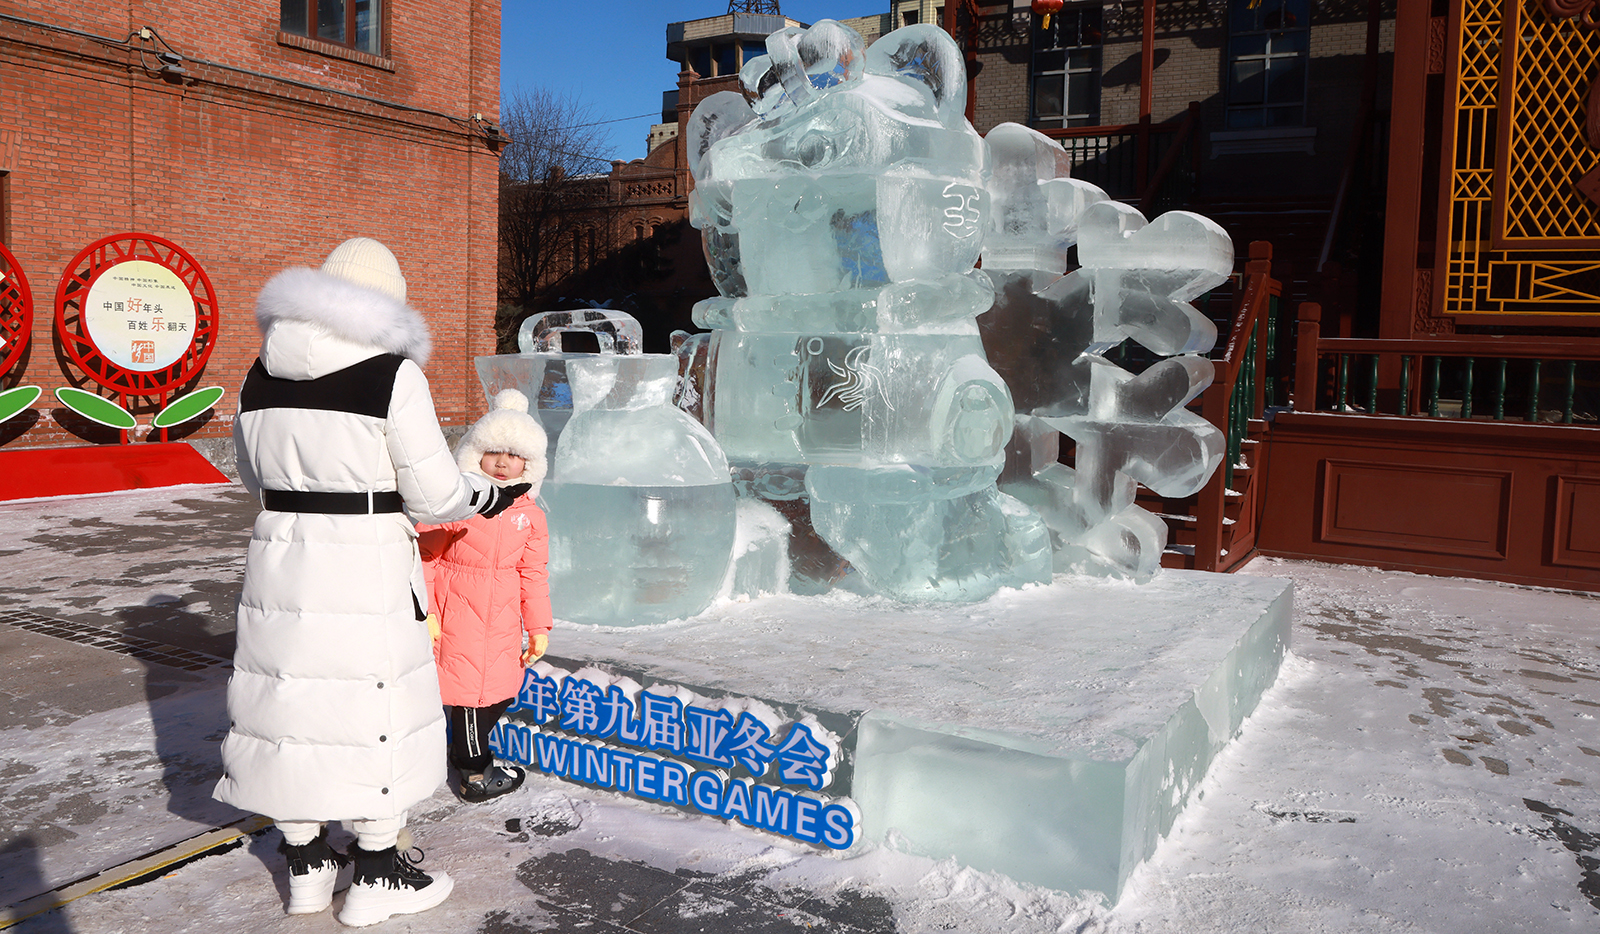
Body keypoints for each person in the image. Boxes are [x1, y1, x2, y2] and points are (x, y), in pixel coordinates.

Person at [215, 237, 528, 927]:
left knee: (290, 709)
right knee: (376, 706)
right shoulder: (391, 375)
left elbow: (250, 474)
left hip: (282, 552)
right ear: (387, 303)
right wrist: (486, 496)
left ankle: (306, 863)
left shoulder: (258, 374)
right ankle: (380, 870)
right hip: (364, 554)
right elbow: (435, 494)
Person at [417, 389, 552, 802]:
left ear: (528, 463)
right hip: (457, 613)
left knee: (500, 691)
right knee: (470, 698)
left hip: (504, 620)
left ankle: (462, 753)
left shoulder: (530, 515)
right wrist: (426, 611)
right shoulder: (457, 505)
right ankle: (474, 774)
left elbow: (533, 573)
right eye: (493, 451)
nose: (502, 462)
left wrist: (539, 626)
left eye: (513, 455)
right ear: (475, 454)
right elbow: (426, 557)